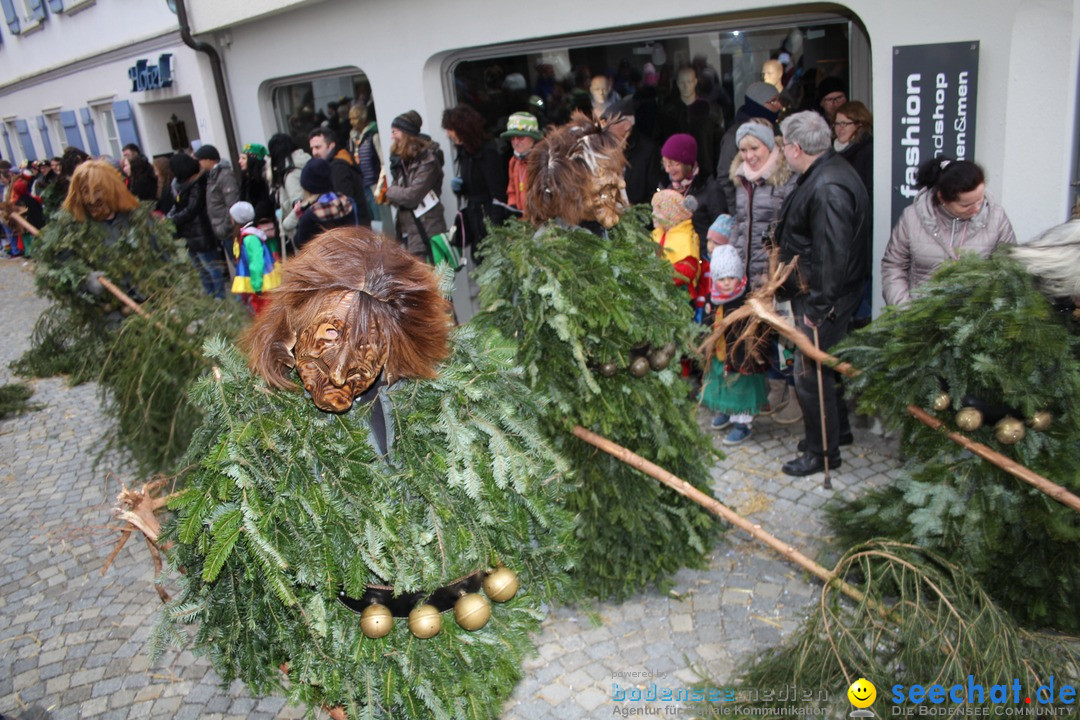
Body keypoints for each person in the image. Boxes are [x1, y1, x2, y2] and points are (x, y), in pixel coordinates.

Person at [774, 111, 870, 476]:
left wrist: (817, 307)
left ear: (796, 148)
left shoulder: (828, 185)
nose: (783, 152)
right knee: (823, 367)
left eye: (783, 145)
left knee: (809, 372)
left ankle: (822, 453)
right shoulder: (825, 172)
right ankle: (836, 432)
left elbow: (833, 254)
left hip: (824, 296)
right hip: (823, 291)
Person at [720, 118, 801, 425]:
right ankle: (774, 390)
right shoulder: (741, 180)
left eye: (754, 147)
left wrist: (775, 268)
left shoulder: (784, 179)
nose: (749, 155)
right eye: (743, 149)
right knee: (761, 335)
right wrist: (735, 261)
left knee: (784, 336)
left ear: (768, 145)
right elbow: (741, 224)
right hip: (748, 272)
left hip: (775, 271)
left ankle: (793, 394)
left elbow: (787, 228)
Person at [881, 158, 1016, 306]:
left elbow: (1010, 269)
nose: (977, 208)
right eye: (967, 205)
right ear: (942, 198)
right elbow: (894, 266)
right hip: (919, 317)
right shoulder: (912, 217)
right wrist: (904, 311)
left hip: (975, 320)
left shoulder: (997, 217)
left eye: (980, 199)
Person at [702, 242, 768, 445]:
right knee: (722, 383)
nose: (727, 283)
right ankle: (727, 411)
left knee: (741, 388)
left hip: (741, 354)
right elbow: (710, 321)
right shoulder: (714, 297)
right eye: (721, 279)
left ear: (739, 277)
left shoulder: (745, 299)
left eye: (732, 278)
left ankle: (743, 424)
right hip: (721, 352)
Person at [442, 104, 507, 259]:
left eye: (450, 129)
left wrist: (495, 231)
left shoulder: (488, 153)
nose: (448, 134)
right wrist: (461, 188)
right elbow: (473, 185)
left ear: (462, 128)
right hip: (475, 218)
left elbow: (498, 194)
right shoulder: (464, 152)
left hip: (489, 220)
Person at [382, 110, 448, 258]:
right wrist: (396, 194)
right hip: (408, 231)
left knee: (433, 278)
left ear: (406, 133)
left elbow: (412, 196)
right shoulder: (402, 160)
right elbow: (395, 198)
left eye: (395, 132)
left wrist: (391, 191)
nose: (392, 137)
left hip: (427, 230)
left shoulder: (428, 160)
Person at [833, 101, 874, 325]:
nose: (839, 129)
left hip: (857, 227)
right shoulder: (835, 151)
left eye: (844, 124)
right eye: (836, 123)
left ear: (860, 124)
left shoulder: (866, 151)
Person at [715, 82, 783, 211]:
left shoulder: (778, 130)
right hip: (747, 211)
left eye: (778, 100)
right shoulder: (734, 135)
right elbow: (724, 178)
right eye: (773, 102)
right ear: (757, 104)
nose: (779, 106)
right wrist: (736, 212)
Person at [168, 152, 226, 299]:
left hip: (201, 232)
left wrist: (173, 219)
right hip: (188, 234)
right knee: (200, 269)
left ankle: (219, 296)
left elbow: (191, 209)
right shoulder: (178, 185)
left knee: (211, 266)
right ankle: (209, 295)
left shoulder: (198, 183)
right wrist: (169, 216)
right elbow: (177, 205)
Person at [658, 133, 726, 259]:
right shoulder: (668, 188)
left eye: (673, 164)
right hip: (674, 261)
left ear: (687, 163)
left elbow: (721, 232)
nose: (668, 170)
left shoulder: (710, 190)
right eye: (665, 163)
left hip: (703, 260)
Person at [658, 66, 722, 179]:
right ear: (677, 83)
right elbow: (660, 142)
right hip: (676, 173)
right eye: (682, 82)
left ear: (695, 82)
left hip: (705, 172)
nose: (686, 86)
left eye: (689, 81)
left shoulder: (710, 110)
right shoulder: (667, 112)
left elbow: (718, 143)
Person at [307, 127, 372, 228]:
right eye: (312, 148)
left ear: (331, 146)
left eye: (318, 147)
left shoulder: (338, 168)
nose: (314, 152)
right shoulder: (338, 163)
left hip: (354, 231)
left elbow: (344, 205)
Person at [291, 158, 360, 250]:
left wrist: (300, 218)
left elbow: (300, 243)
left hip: (326, 261)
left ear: (308, 188)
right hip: (351, 254)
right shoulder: (346, 202)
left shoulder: (310, 216)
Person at [228, 200, 280, 316]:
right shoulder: (247, 235)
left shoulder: (250, 239)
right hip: (259, 283)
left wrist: (257, 285)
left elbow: (256, 263)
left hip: (261, 284)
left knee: (265, 312)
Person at [194, 144, 240, 276]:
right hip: (221, 229)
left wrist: (224, 227)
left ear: (210, 160)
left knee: (237, 261)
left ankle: (248, 293)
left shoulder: (224, 176)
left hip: (228, 229)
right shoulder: (212, 175)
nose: (200, 163)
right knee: (234, 261)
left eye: (201, 160)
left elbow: (231, 203)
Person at [650, 189, 701, 301]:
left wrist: (661, 275)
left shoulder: (685, 236)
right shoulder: (658, 233)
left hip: (678, 295)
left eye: (658, 211)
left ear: (671, 214)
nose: (652, 214)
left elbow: (688, 269)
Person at [267, 132, 311, 251]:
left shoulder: (291, 175)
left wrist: (286, 224)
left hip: (302, 232)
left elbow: (300, 206)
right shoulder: (304, 163)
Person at [347, 103, 382, 221]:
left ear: (363, 118)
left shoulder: (373, 135)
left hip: (375, 183)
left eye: (355, 118)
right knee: (370, 219)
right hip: (362, 183)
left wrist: (381, 184)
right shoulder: (353, 137)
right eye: (350, 119)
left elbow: (382, 161)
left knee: (379, 217)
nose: (352, 122)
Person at [501, 111, 542, 214]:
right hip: (522, 221)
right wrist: (512, 205)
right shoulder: (513, 162)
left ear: (532, 138)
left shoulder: (542, 162)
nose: (515, 142)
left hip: (542, 221)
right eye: (512, 138)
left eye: (520, 137)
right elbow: (512, 190)